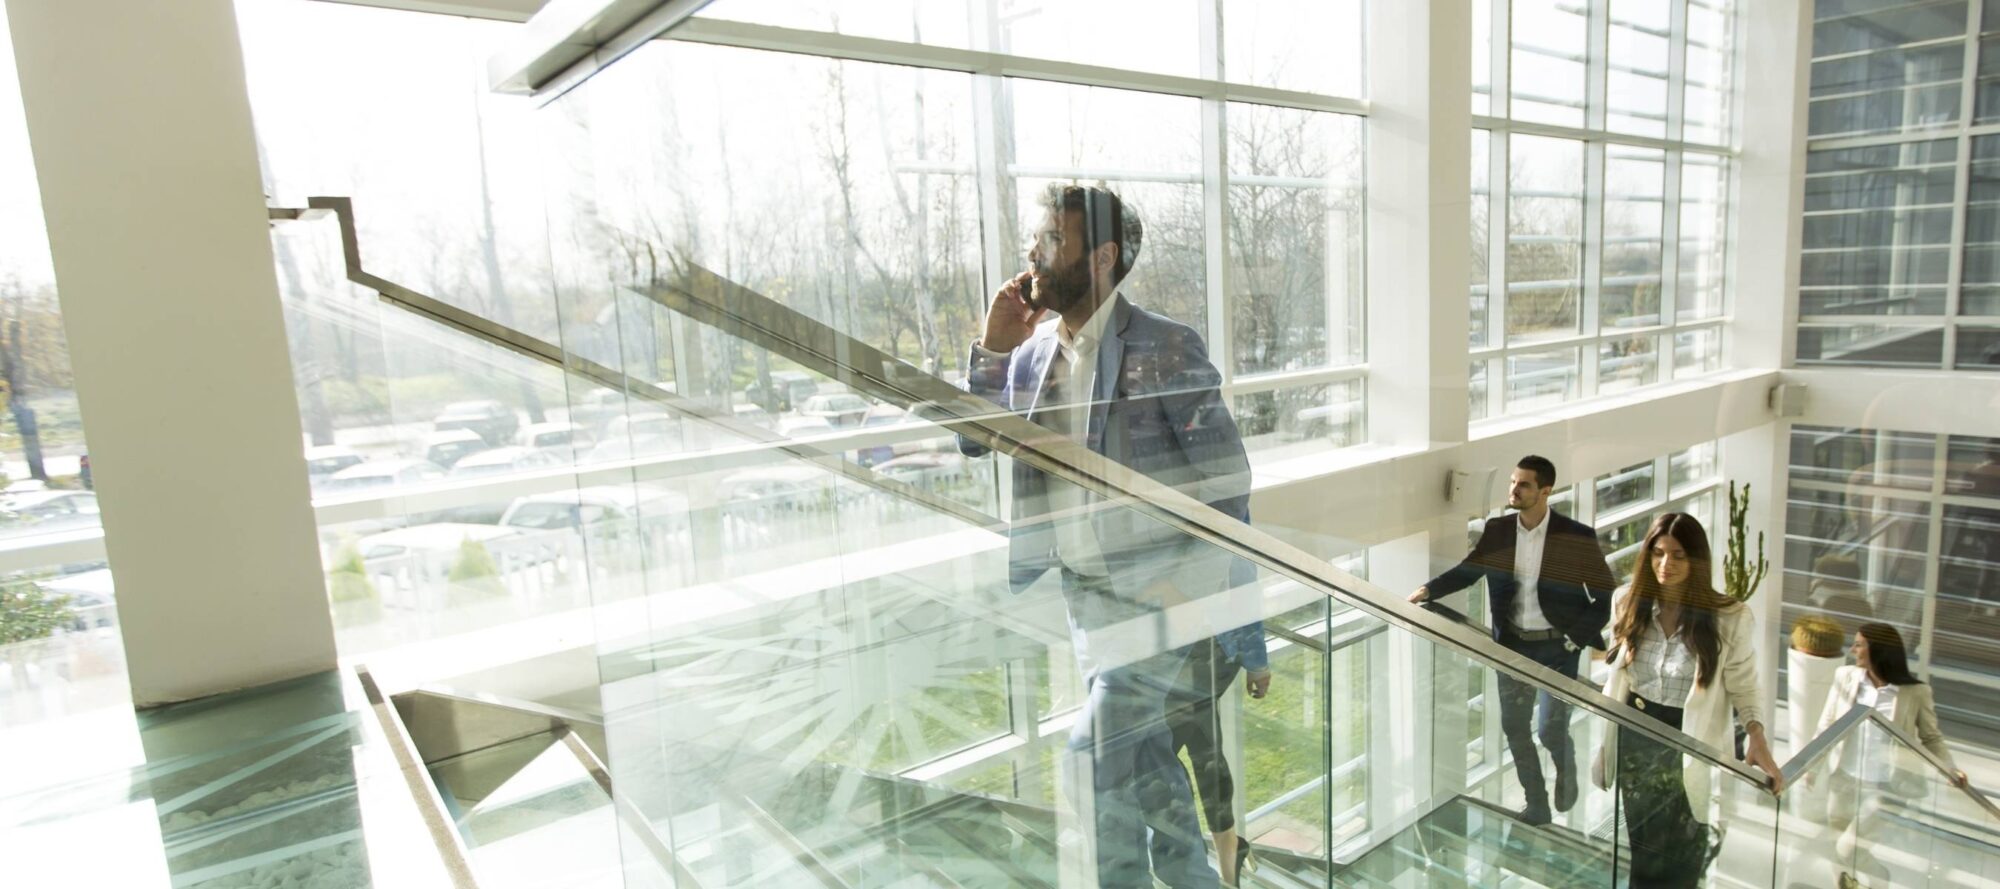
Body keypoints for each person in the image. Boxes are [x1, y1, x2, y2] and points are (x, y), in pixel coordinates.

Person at [958, 182, 1251, 889]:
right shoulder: (1029, 357)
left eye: (1053, 241)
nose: (1034, 252)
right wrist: (993, 351)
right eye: (1039, 238)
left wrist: (1183, 587)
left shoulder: (1163, 345)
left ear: (1102, 256)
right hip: (1086, 606)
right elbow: (973, 444)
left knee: (1090, 760)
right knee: (1144, 775)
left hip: (1159, 610)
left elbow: (1228, 479)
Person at [1409, 455, 1617, 825]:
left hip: (1559, 648)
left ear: (1545, 491)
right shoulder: (1499, 531)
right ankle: (1536, 804)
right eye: (1512, 482)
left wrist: (1574, 639)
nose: (1513, 490)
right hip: (1513, 647)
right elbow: (1469, 571)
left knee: (1550, 728)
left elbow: (1604, 597)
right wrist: (1429, 590)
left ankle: (1566, 770)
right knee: (1515, 728)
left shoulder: (1575, 536)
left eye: (1523, 484)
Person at [1594, 513, 1783, 889]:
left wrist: (1757, 735)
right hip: (1636, 735)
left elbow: (1744, 684)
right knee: (1644, 848)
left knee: (1685, 850)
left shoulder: (1729, 617)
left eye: (1678, 555)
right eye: (1658, 553)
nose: (1667, 565)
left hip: (1688, 741)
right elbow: (1617, 671)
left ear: (1696, 560)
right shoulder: (1626, 602)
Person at [1815, 623, 1968, 888]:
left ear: (1879, 650)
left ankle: (1879, 879)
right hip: (1843, 778)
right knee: (1836, 849)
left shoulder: (1915, 692)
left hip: (1886, 787)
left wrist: (1950, 769)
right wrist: (1810, 767)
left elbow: (1931, 738)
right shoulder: (1845, 676)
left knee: (1848, 850)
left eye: (1859, 644)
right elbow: (1827, 723)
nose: (1853, 649)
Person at [1166, 621, 1271, 887]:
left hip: (1209, 652)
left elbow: (1243, 590)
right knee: (1202, 748)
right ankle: (1227, 853)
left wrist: (1257, 663)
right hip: (1182, 651)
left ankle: (1194, 865)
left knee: (1161, 756)